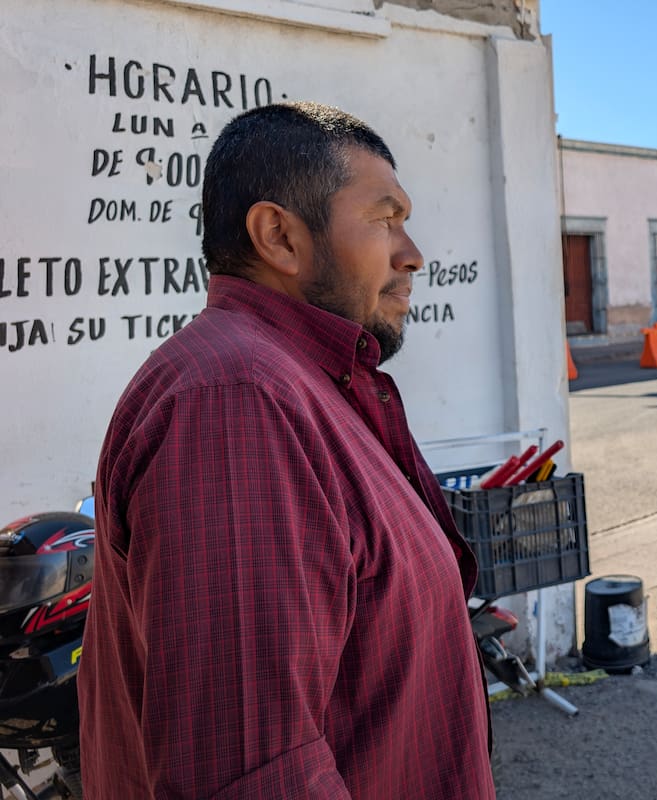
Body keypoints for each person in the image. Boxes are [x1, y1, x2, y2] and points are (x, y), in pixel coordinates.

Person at [79, 102, 494, 799]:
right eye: (385, 218)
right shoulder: (236, 402)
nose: (412, 253)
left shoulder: (299, 383)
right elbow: (252, 775)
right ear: (279, 235)